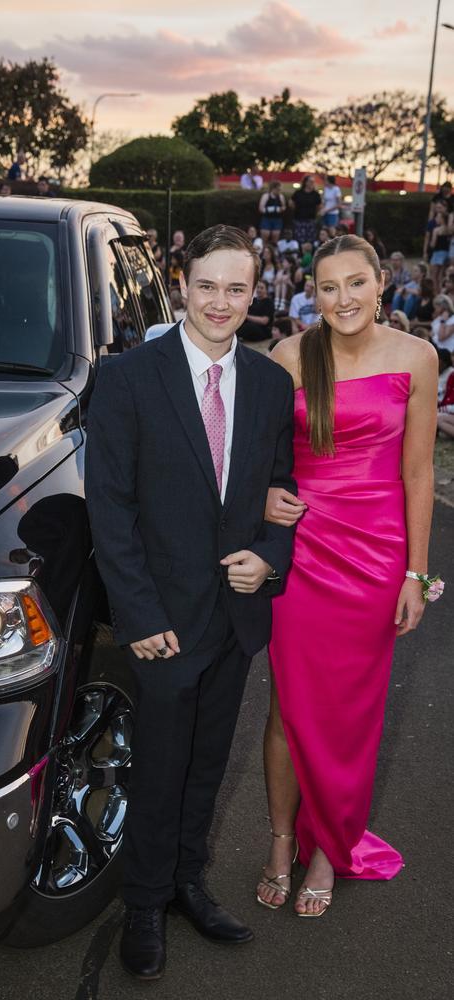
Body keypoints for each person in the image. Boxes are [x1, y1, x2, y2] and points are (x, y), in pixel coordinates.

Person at [85, 224, 296, 980]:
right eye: (207, 285)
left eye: (236, 288)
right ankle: (143, 901)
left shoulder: (272, 384)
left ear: (254, 291)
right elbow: (108, 508)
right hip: (162, 621)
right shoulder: (129, 378)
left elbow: (281, 494)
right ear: (182, 283)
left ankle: (186, 883)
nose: (220, 301)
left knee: (207, 764)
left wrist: (270, 559)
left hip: (235, 615)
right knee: (162, 764)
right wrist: (138, 615)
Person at [256, 233, 437, 917]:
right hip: (302, 552)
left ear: (381, 282)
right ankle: (280, 842)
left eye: (355, 283)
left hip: (376, 556)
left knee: (351, 716)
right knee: (288, 708)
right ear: (313, 294)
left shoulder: (417, 357)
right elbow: (259, 461)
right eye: (328, 288)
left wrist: (416, 574)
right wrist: (264, 498)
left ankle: (329, 849)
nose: (343, 299)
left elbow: (418, 474)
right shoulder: (289, 356)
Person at [291, 176, 321, 247]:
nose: (312, 183)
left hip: (311, 220)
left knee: (310, 240)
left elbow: (319, 206)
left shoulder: (316, 194)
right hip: (299, 220)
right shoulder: (298, 193)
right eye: (311, 181)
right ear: (306, 182)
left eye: (313, 182)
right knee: (299, 239)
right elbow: (291, 202)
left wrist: (315, 213)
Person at [428, 209, 451, 292]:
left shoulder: (436, 230)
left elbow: (433, 244)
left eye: (437, 217)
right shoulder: (449, 229)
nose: (436, 219)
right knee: (441, 275)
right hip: (445, 253)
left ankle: (435, 292)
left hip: (437, 253)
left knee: (434, 276)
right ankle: (442, 291)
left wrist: (430, 244)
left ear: (442, 219)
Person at [258, 180, 286, 245]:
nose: (279, 191)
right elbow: (261, 209)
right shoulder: (266, 196)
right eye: (278, 189)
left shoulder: (281, 196)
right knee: (265, 235)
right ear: (273, 188)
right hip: (267, 218)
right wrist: (271, 209)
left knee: (275, 236)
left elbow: (284, 207)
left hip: (277, 219)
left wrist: (279, 209)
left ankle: (273, 251)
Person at [436, 347, 454, 438]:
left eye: (438, 360)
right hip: (446, 411)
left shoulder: (451, 374)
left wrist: (439, 410)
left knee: (437, 418)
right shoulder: (438, 374)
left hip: (449, 411)